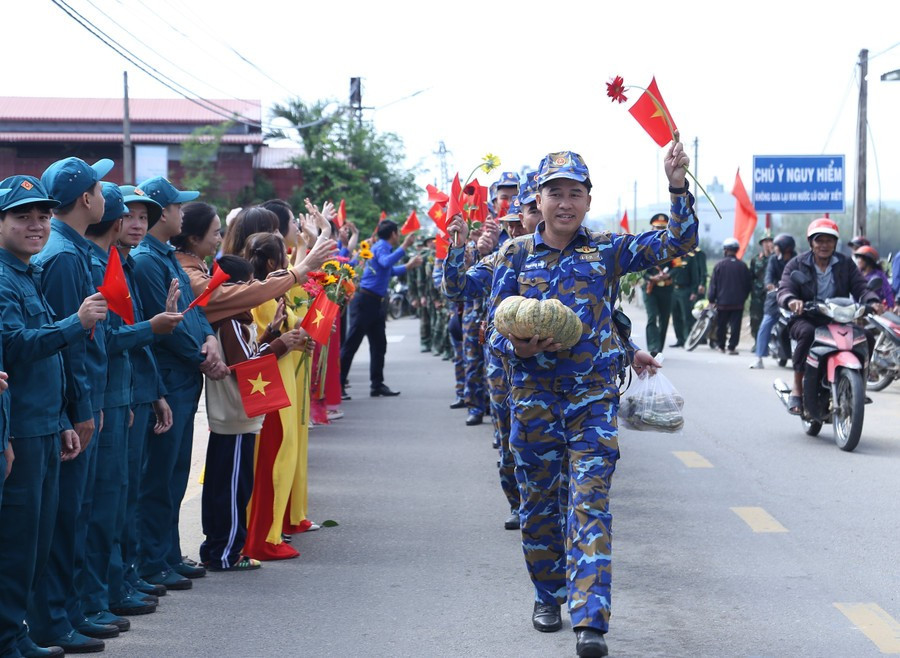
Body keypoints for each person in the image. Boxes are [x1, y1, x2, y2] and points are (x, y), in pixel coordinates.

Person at [484, 147, 696, 657]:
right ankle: (548, 594)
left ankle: (590, 619)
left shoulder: (606, 250)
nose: (564, 202)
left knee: (589, 504)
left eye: (574, 193)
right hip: (532, 401)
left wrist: (676, 187)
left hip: (591, 402)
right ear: (539, 198)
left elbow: (677, 241)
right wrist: (516, 344)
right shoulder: (515, 255)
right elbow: (494, 326)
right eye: (554, 192)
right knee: (538, 506)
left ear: (587, 200)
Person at [0, 176, 107, 658]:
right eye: (23, 216)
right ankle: (8, 636)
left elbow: (48, 360)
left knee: (38, 542)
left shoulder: (26, 273)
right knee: (17, 544)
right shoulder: (3, 278)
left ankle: (19, 631)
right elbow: (15, 347)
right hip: (19, 429)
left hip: (44, 424)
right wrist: (75, 322)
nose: (37, 225)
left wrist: (64, 416)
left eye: (43, 216)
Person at [81, 183, 182, 626]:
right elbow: (107, 339)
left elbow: (133, 338)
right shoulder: (92, 260)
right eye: (129, 215)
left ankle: (118, 582)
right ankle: (99, 594)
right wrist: (155, 328)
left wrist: (154, 391)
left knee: (121, 497)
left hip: (132, 389)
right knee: (102, 504)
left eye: (144, 216)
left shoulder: (120, 260)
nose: (136, 223)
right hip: (109, 395)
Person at [28, 157, 117, 653]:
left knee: (73, 515)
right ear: (86, 199)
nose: (105, 197)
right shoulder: (63, 256)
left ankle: (67, 613)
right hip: (65, 404)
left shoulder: (69, 249)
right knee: (64, 519)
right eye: (100, 187)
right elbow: (71, 342)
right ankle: (54, 621)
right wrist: (81, 408)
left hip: (78, 399)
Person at [130, 176, 229, 592]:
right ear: (160, 213)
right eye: (176, 206)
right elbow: (165, 325)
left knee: (175, 474)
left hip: (185, 378)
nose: (182, 213)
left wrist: (208, 337)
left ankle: (167, 552)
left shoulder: (168, 256)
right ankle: (152, 560)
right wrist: (203, 356)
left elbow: (191, 311)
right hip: (170, 377)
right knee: (159, 476)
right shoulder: (148, 261)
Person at [200, 254, 307, 571]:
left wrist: (272, 334)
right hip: (235, 417)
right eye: (249, 285)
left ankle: (220, 549)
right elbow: (246, 366)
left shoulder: (235, 321)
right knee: (232, 490)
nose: (253, 291)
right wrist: (281, 343)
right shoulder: (231, 322)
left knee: (231, 485)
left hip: (238, 418)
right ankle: (225, 553)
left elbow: (247, 354)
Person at [777, 218, 881, 415]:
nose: (824, 245)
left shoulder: (845, 264)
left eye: (829, 241)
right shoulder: (796, 264)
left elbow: (861, 286)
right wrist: (792, 300)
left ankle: (858, 385)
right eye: (819, 241)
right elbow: (785, 288)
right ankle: (798, 388)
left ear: (835, 243)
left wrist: (872, 300)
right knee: (808, 335)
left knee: (866, 337)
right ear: (811, 243)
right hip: (806, 317)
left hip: (838, 318)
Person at [340, 219, 421, 397]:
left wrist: (409, 265)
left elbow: (389, 271)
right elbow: (385, 263)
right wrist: (405, 246)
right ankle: (338, 384)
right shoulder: (382, 247)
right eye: (398, 233)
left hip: (375, 302)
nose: (400, 236)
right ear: (393, 234)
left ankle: (377, 385)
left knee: (379, 345)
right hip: (365, 301)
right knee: (352, 343)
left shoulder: (381, 247)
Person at [750, 233, 795, 369]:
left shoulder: (796, 259)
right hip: (775, 296)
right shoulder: (773, 260)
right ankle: (759, 358)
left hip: (794, 296)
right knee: (766, 323)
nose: (774, 248)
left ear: (785, 248)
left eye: (776, 246)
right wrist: (769, 284)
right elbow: (768, 275)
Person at [707, 238, 751, 354]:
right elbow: (748, 285)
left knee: (722, 325)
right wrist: (743, 298)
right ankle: (731, 347)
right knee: (735, 326)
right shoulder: (743, 266)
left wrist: (711, 299)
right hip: (738, 303)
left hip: (722, 303)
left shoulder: (719, 265)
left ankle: (721, 346)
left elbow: (713, 285)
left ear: (725, 250)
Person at [642, 213, 675, 354]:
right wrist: (651, 278)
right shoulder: (643, 245)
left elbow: (678, 266)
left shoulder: (672, 247)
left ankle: (659, 348)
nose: (659, 230)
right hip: (650, 288)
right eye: (657, 227)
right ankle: (653, 347)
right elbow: (639, 268)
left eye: (663, 228)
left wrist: (667, 275)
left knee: (664, 318)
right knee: (652, 316)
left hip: (666, 288)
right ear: (652, 227)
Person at [668, 239, 702, 347]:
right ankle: (679, 339)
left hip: (686, 290)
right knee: (675, 316)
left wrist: (694, 291)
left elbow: (695, 276)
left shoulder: (691, 258)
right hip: (674, 290)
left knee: (686, 316)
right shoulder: (674, 258)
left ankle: (687, 338)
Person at [748, 234, 774, 349]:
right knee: (755, 318)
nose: (768, 244)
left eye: (770, 241)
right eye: (765, 242)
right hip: (758, 295)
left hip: (772, 294)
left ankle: (770, 343)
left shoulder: (776, 259)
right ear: (762, 244)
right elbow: (751, 276)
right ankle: (757, 342)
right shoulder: (756, 259)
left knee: (771, 319)